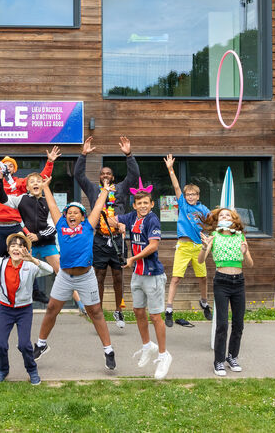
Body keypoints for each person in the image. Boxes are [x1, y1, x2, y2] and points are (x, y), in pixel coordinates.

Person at [0, 134, 57, 309]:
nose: (7, 167)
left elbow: (39, 179)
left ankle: (36, 291)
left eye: (10, 165)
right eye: (4, 164)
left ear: (14, 170)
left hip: (15, 227)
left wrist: (49, 162)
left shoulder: (20, 184)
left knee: (25, 257)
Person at [33, 176, 116, 370]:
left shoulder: (88, 226)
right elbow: (52, 206)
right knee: (51, 309)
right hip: (64, 276)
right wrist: (45, 187)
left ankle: (109, 350)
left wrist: (105, 190)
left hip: (86, 277)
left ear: (82, 217)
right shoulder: (61, 225)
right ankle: (41, 344)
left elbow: (97, 207)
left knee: (95, 312)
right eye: (69, 212)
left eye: (76, 213)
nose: (72, 215)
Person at [0, 171, 86, 315]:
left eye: (38, 181)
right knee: (17, 271)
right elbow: (2, 198)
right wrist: (0, 180)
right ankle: (2, 300)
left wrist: (38, 236)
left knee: (63, 271)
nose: (36, 183)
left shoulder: (48, 201)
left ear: (43, 185)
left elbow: (54, 226)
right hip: (28, 244)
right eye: (32, 182)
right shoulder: (21, 199)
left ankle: (81, 304)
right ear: (27, 187)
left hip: (47, 243)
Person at [74, 136, 140, 328]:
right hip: (99, 240)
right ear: (99, 177)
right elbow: (79, 175)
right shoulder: (93, 190)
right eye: (102, 173)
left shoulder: (121, 189)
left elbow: (134, 176)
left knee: (118, 276)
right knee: (99, 276)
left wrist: (129, 155)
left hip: (118, 239)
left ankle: (119, 310)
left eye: (108, 173)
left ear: (112, 177)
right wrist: (83, 154)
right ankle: (99, 313)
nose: (105, 175)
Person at [0, 233, 52, 385]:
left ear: (25, 250)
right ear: (8, 250)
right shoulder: (0, 263)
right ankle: (3, 370)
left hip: (24, 311)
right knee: (0, 344)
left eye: (20, 246)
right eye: (13, 246)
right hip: (6, 311)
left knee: (24, 345)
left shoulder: (30, 266)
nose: (16, 249)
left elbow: (50, 270)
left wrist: (32, 259)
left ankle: (32, 371)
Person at [117, 189, 172, 379]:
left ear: (151, 204)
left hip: (153, 275)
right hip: (137, 274)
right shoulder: (132, 217)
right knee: (138, 311)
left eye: (145, 203)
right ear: (134, 205)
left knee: (155, 316)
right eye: (139, 203)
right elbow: (112, 220)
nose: (142, 206)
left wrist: (132, 259)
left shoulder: (152, 220)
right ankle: (148, 346)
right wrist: (118, 224)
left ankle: (164, 356)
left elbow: (153, 246)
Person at [198, 208, 253, 376]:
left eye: (228, 215)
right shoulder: (214, 236)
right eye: (221, 215)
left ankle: (232, 357)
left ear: (233, 219)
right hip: (221, 282)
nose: (224, 216)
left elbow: (250, 263)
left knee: (238, 324)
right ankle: (219, 361)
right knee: (222, 325)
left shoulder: (240, 237)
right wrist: (204, 247)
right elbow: (200, 260)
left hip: (239, 282)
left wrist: (245, 253)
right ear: (217, 220)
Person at [163, 153, 211, 327]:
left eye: (193, 194)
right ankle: (169, 309)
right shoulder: (182, 204)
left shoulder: (203, 209)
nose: (190, 197)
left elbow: (212, 221)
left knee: (203, 277)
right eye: (188, 194)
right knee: (176, 278)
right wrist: (170, 169)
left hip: (198, 247)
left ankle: (204, 302)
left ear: (198, 196)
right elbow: (176, 186)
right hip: (183, 246)